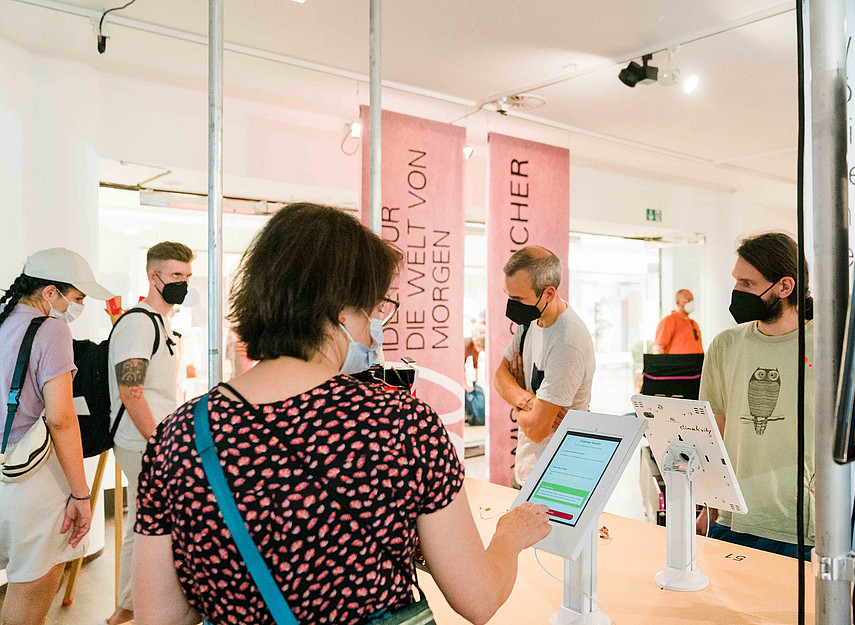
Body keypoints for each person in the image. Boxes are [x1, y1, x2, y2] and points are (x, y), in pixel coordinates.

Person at [132, 203, 551, 625]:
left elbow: (158, 615)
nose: (374, 327)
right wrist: (509, 536)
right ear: (340, 311)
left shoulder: (181, 435)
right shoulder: (403, 425)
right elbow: (478, 599)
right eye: (373, 308)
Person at [0, 248, 113, 625]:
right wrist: (81, 493)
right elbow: (62, 419)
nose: (77, 307)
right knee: (30, 593)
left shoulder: (2, 321)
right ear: (50, 293)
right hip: (27, 481)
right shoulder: (51, 330)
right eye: (77, 298)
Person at [695, 232, 816, 558]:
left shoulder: (830, 347)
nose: (737, 292)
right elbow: (713, 432)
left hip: (800, 528)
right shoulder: (725, 345)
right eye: (736, 281)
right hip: (732, 521)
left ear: (785, 287)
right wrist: (710, 504)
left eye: (747, 284)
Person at [107, 241, 194, 625]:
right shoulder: (139, 322)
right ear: (153, 275)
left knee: (144, 524)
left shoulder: (164, 323)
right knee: (151, 527)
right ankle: (133, 608)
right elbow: (131, 389)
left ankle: (128, 607)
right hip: (141, 442)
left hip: (155, 441)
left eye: (187, 276)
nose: (182, 283)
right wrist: (160, 443)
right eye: (176, 275)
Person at [493, 247, 595, 488]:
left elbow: (538, 430)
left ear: (548, 293)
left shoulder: (567, 343)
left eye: (517, 299)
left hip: (559, 480)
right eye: (507, 295)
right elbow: (500, 375)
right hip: (526, 470)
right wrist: (529, 402)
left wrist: (516, 400)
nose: (511, 305)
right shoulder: (530, 321)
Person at [653, 289, 703, 354]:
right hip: (676, 363)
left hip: (695, 363)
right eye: (687, 300)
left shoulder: (693, 324)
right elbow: (658, 349)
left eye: (692, 300)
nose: (690, 303)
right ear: (677, 302)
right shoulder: (669, 321)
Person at [464, 332, 486, 425]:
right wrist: (465, 385)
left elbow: (475, 364)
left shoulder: (476, 350)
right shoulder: (466, 346)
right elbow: (459, 368)